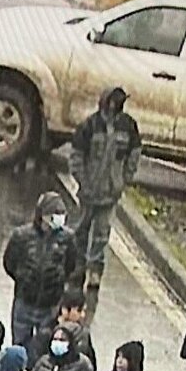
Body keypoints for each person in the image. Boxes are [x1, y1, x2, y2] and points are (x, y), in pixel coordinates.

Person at [69, 87, 142, 290]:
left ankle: (94, 272)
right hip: (89, 191)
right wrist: (83, 180)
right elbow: (76, 156)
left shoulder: (128, 126)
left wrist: (124, 179)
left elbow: (134, 154)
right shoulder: (90, 125)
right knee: (80, 230)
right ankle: (77, 267)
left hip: (111, 193)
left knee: (102, 233)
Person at [2, 191, 78, 346]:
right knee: (20, 345)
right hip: (25, 301)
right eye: (54, 214)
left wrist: (58, 279)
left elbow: (71, 265)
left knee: (43, 347)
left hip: (50, 305)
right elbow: (9, 263)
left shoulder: (67, 239)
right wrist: (23, 278)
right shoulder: (21, 236)